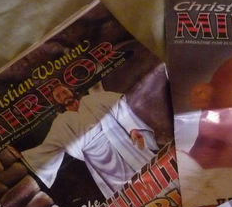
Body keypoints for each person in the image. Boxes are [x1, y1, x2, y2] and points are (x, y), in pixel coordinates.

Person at [19, 84, 159, 199]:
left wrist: (132, 129)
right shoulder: (60, 122)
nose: (63, 96)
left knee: (146, 169)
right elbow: (49, 146)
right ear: (57, 102)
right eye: (58, 96)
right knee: (125, 189)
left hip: (120, 142)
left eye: (64, 92)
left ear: (71, 91)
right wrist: (27, 158)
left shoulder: (93, 100)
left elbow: (117, 105)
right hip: (98, 160)